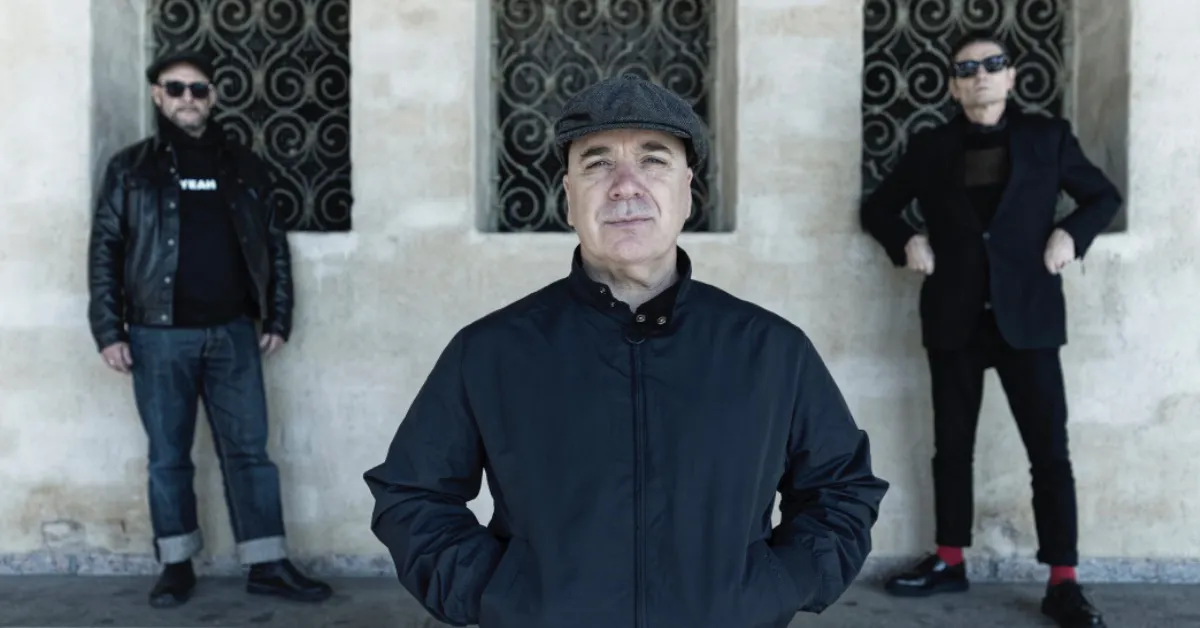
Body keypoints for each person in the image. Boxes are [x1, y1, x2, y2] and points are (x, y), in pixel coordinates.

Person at [363, 74, 889, 628]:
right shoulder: (491, 352)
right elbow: (412, 495)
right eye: (596, 164)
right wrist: (503, 596)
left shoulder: (772, 351)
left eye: (653, 160)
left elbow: (841, 489)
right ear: (569, 197)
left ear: (688, 190)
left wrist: (772, 589)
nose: (624, 186)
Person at [860, 31, 1120, 628]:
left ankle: (1063, 581)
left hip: (1028, 316)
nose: (981, 75)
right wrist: (906, 239)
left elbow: (1102, 196)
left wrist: (1070, 234)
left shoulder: (1047, 138)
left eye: (993, 64)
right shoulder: (931, 146)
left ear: (1011, 76)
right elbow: (878, 207)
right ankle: (949, 559)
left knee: (1048, 451)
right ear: (954, 86)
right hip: (954, 316)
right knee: (951, 447)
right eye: (967, 69)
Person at [87, 50, 332, 608]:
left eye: (199, 89)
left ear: (214, 97)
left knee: (250, 454)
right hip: (157, 334)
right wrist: (108, 328)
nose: (188, 99)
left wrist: (278, 316)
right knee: (169, 455)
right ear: (158, 95)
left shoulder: (244, 166)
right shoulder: (131, 169)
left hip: (233, 333)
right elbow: (105, 249)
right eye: (176, 88)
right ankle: (176, 565)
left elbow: (274, 246)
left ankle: (267, 563)